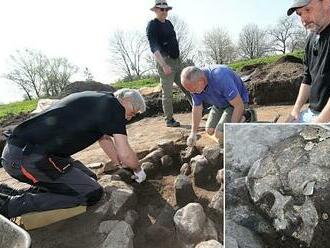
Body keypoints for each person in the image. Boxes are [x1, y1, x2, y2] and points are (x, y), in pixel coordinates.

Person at [0, 89, 147, 218]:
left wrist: (118, 162)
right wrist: (138, 169)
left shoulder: (101, 100)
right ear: (126, 100)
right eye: (132, 112)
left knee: (89, 177)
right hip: (26, 158)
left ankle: (11, 193)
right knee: (91, 193)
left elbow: (104, 139)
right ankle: (8, 206)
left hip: (34, 153)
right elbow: (125, 152)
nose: (130, 117)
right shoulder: (115, 107)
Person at [146, 0, 192, 127]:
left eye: (166, 9)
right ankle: (169, 119)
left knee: (188, 85)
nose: (165, 12)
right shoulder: (152, 25)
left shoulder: (169, 23)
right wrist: (164, 65)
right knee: (168, 93)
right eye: (162, 9)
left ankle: (198, 109)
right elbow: (154, 48)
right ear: (155, 10)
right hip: (165, 61)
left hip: (177, 61)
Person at [181, 65, 252, 146]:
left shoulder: (220, 77)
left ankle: (246, 116)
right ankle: (227, 125)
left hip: (237, 103)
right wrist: (193, 133)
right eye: (190, 90)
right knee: (209, 131)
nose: (192, 93)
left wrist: (232, 129)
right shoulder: (194, 84)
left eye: (193, 90)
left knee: (221, 135)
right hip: (219, 104)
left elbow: (238, 105)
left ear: (201, 82)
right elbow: (197, 107)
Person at [286, 0, 330, 123]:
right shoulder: (311, 39)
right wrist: (295, 111)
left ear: (326, 3)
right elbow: (307, 79)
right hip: (313, 113)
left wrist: (320, 122)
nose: (303, 19)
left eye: (308, 10)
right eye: (299, 14)